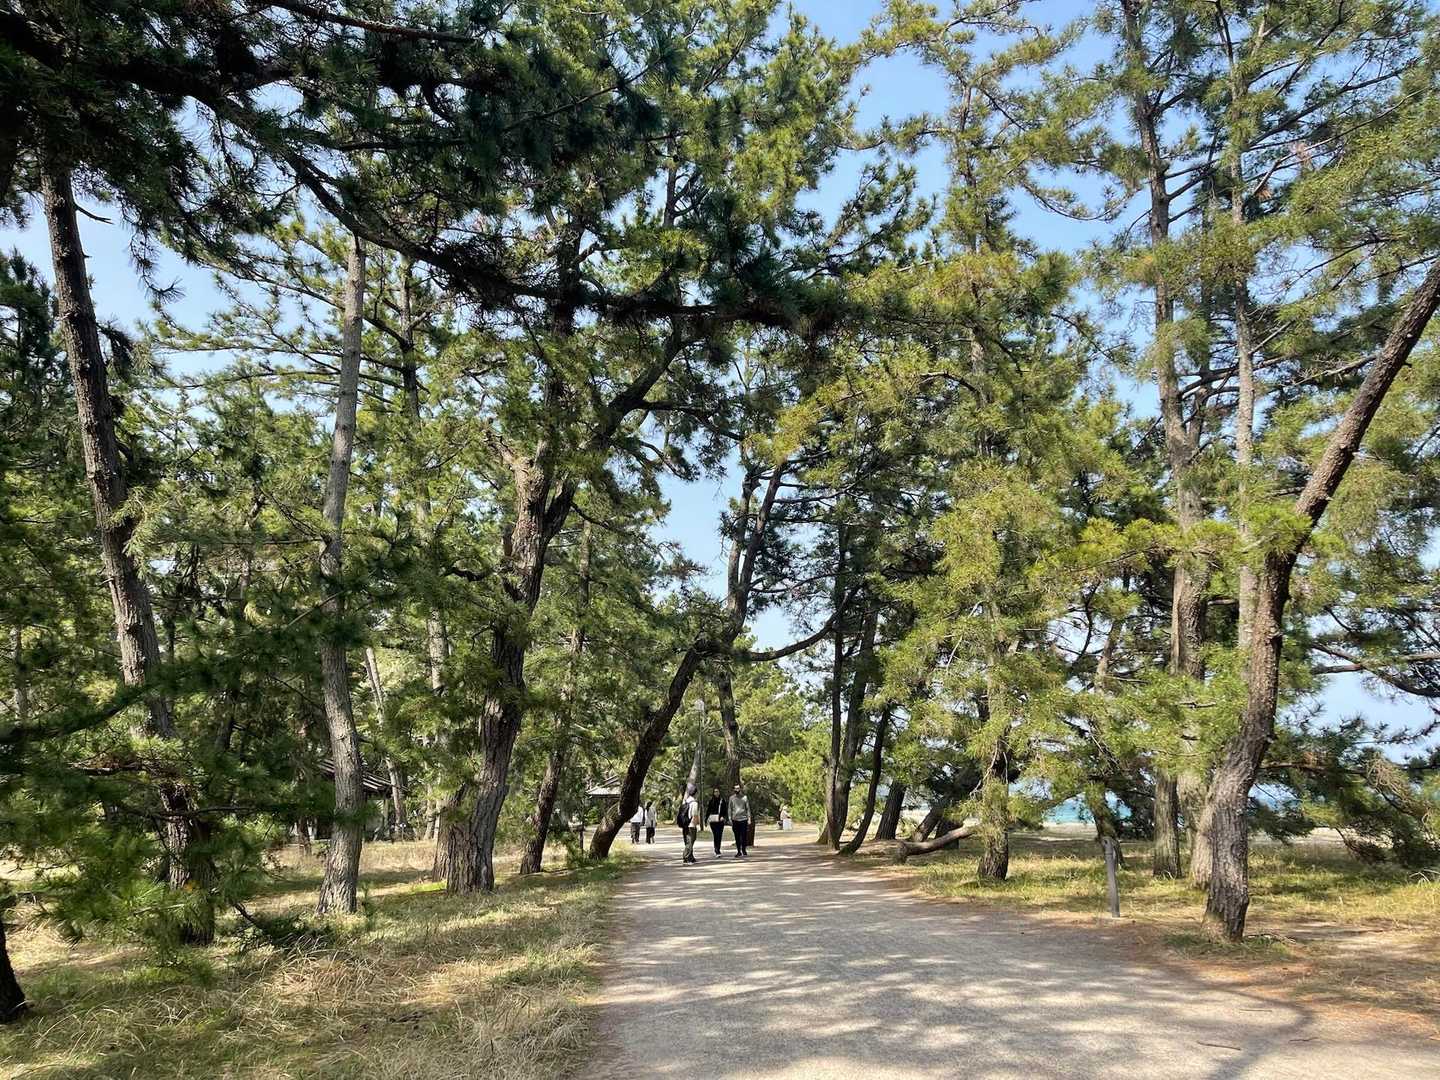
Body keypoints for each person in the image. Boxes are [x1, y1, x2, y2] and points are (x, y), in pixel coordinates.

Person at [678, 785, 700, 864]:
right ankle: (686, 857)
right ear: (695, 793)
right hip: (691, 824)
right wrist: (695, 824)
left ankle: (691, 857)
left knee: (687, 841)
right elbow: (694, 815)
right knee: (690, 841)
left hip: (685, 824)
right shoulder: (694, 803)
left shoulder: (685, 801)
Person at [728, 783, 751, 858]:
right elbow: (730, 808)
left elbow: (748, 808)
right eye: (735, 788)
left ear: (740, 789)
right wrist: (729, 818)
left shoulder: (745, 797)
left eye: (738, 788)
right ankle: (738, 851)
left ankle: (744, 849)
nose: (737, 790)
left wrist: (749, 818)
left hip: (743, 819)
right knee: (737, 836)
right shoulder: (731, 798)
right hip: (735, 819)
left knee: (744, 835)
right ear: (734, 789)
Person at [704, 786, 728, 858]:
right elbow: (708, 811)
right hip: (713, 821)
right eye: (715, 792)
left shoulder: (722, 801)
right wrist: (706, 820)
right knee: (715, 835)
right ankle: (716, 849)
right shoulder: (711, 801)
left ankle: (718, 849)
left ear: (719, 792)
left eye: (717, 791)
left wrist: (723, 817)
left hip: (720, 821)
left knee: (719, 835)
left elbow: (725, 810)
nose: (716, 793)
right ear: (713, 793)